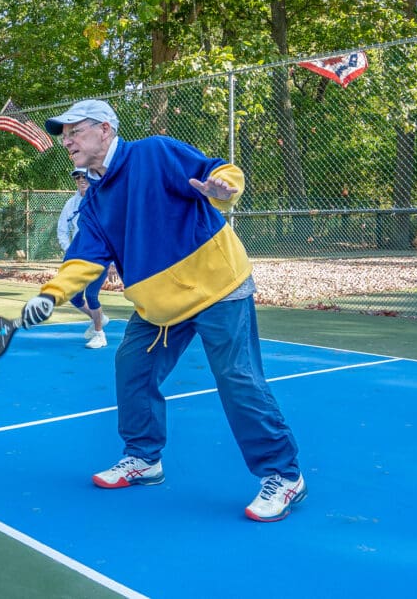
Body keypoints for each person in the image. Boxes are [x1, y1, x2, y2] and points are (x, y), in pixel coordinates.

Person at [20, 99, 305, 522]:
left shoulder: (154, 152)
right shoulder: (95, 199)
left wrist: (224, 189)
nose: (67, 141)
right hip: (160, 305)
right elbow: (85, 257)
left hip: (217, 287)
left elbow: (217, 170)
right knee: (132, 367)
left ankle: (284, 475)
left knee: (237, 378)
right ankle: (143, 459)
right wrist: (51, 295)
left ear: (105, 130)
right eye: (64, 135)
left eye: (74, 131)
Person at [57, 167, 110, 349]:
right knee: (73, 296)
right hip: (77, 258)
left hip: (100, 257)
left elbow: (112, 232)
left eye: (85, 176)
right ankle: (99, 318)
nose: (81, 180)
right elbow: (62, 231)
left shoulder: (102, 201)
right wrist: (71, 251)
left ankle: (99, 335)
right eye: (77, 177)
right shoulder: (71, 204)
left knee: (92, 294)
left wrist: (111, 261)